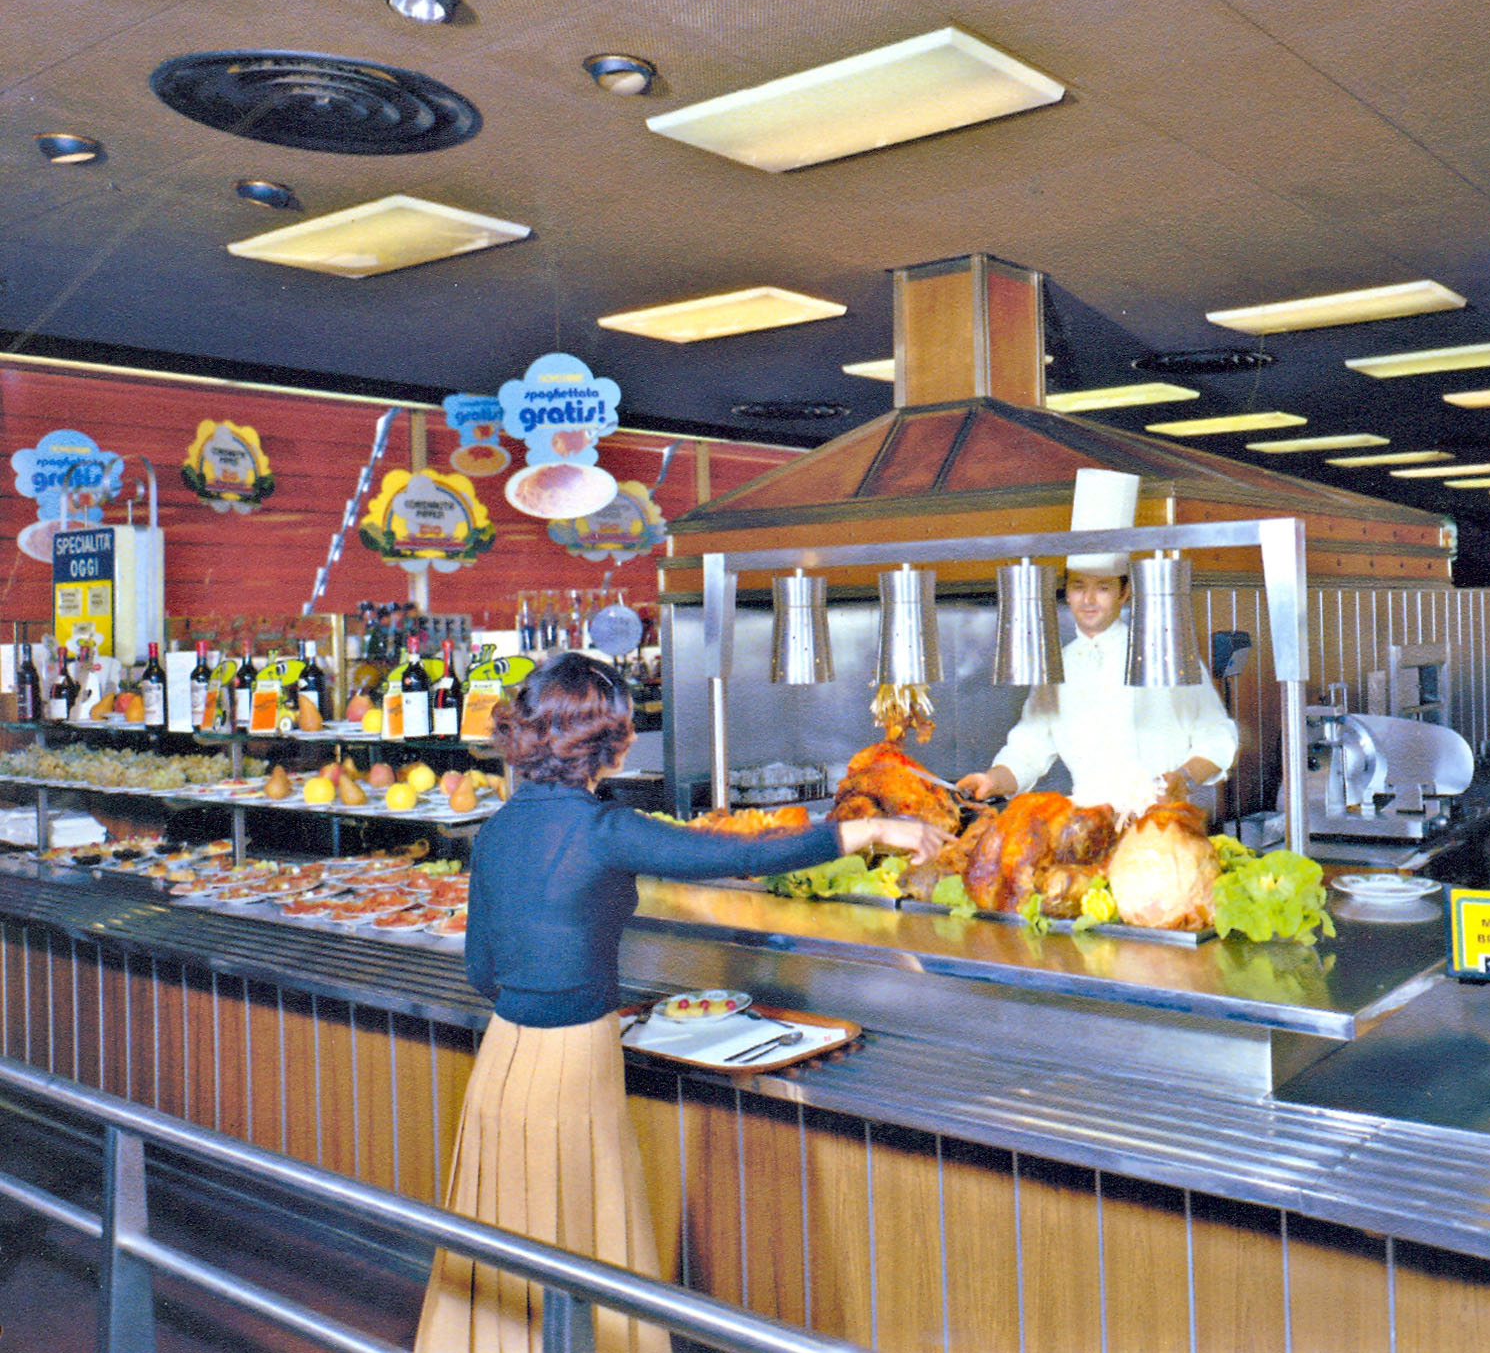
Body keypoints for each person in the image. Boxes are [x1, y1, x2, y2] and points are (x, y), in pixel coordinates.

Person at [414, 653, 947, 1353]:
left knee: (503, 1247)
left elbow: (483, 968)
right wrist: (873, 829)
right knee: (587, 1242)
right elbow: (743, 857)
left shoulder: (497, 831)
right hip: (574, 1059)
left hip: (501, 1057)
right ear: (608, 743)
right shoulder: (605, 829)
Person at [956, 564, 1239, 814]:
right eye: (1079, 587)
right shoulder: (1058, 667)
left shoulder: (1167, 656)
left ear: (1123, 592)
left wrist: (1184, 779)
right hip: (1090, 827)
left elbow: (1217, 737)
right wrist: (992, 780)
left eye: (1103, 588)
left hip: (1161, 823)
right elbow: (1027, 751)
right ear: (1067, 593)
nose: (1089, 599)